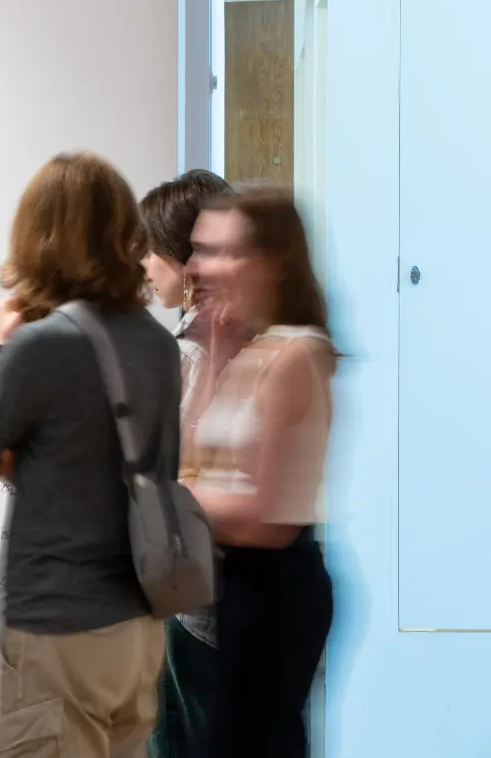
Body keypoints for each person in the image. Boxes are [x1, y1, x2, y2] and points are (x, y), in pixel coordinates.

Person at [0, 152, 180, 758]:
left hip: (60, 628)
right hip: (139, 627)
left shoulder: (42, 346)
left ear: (38, 236)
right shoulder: (156, 342)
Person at [187, 188, 334, 758]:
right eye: (202, 250)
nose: (202, 267)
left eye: (224, 251)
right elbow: (192, 458)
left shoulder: (298, 353)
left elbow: (263, 520)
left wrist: (171, 497)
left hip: (276, 590)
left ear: (273, 261)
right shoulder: (254, 349)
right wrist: (216, 354)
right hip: (237, 583)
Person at [139, 169, 232, 758]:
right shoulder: (252, 335)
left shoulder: (190, 352)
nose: (144, 266)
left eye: (151, 249)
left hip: (193, 603)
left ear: (183, 256)